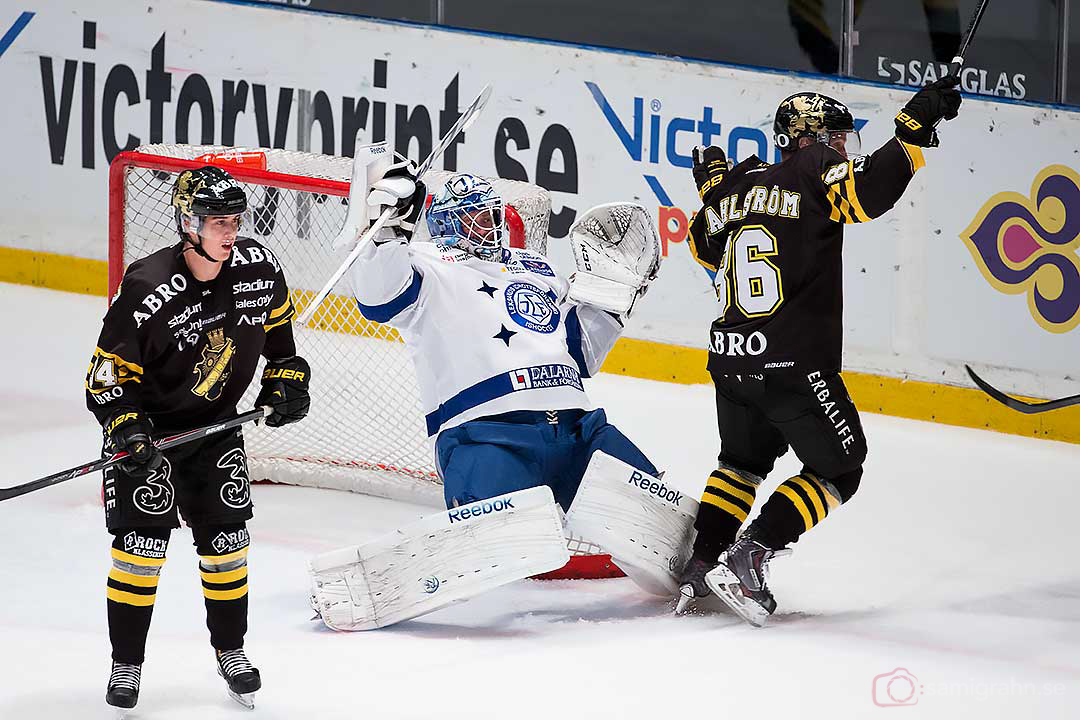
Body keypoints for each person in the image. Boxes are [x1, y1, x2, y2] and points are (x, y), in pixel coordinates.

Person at [676, 78, 962, 625]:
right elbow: (870, 192)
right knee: (842, 466)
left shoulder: (734, 185)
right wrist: (915, 125)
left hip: (731, 360)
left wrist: (713, 195)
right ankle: (750, 553)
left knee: (740, 464)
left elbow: (703, 248)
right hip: (791, 362)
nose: (842, 150)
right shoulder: (810, 172)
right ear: (805, 139)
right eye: (834, 139)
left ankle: (699, 567)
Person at [85, 165, 311, 709]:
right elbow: (106, 377)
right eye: (216, 221)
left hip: (215, 432)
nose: (230, 231)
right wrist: (128, 432)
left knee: (227, 550)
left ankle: (231, 651)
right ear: (189, 223)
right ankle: (126, 663)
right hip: (150, 438)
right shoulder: (146, 286)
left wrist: (287, 382)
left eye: (235, 219)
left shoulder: (260, 270)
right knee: (140, 553)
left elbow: (282, 344)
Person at [347, 169, 659, 515]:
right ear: (445, 225)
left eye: (492, 215)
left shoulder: (539, 268)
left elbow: (581, 353)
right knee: (497, 522)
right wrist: (388, 235)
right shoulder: (425, 262)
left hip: (579, 431)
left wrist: (608, 300)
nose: (490, 226)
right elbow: (379, 299)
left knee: (651, 509)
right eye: (475, 218)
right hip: (486, 435)